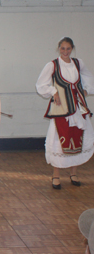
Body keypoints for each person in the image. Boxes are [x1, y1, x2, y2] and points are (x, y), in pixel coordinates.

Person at [36, 37, 94, 189]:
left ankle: (73, 173)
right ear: (59, 49)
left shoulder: (78, 63)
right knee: (60, 140)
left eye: (68, 48)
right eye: (63, 48)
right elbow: (41, 84)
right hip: (62, 109)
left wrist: (86, 90)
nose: (65, 51)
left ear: (72, 49)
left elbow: (88, 77)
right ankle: (56, 176)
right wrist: (53, 91)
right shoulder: (53, 65)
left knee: (77, 137)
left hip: (78, 108)